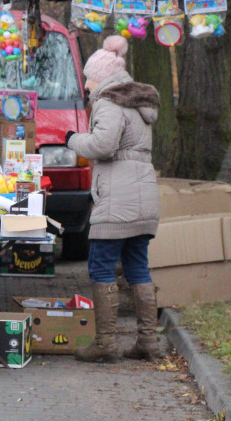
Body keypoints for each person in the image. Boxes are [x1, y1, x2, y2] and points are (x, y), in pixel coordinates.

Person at [65, 35, 161, 363]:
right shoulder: (138, 104)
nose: (87, 85)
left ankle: (105, 343)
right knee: (137, 265)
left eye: (90, 77)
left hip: (117, 198)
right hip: (144, 194)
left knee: (101, 264)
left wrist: (73, 139)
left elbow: (103, 146)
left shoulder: (109, 103)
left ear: (102, 78)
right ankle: (148, 341)